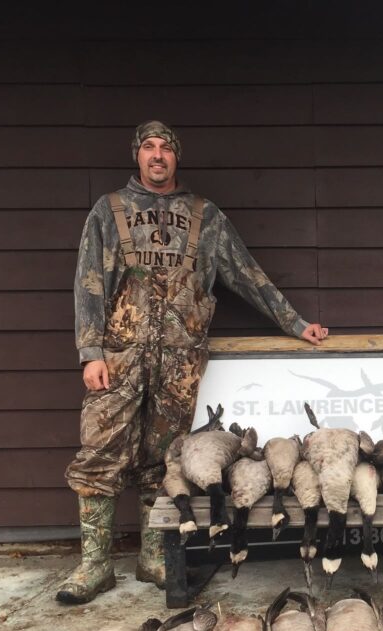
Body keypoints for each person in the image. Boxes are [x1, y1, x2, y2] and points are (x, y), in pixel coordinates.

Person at [58, 120, 328, 604]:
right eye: (148, 147)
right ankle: (94, 566)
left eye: (165, 148)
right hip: (119, 360)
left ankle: (154, 557)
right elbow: (88, 283)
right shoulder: (109, 210)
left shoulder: (206, 216)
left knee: (162, 462)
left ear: (176, 157)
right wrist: (90, 352)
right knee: (99, 456)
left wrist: (295, 323)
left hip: (179, 365)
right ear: (137, 155)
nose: (157, 155)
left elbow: (247, 275)